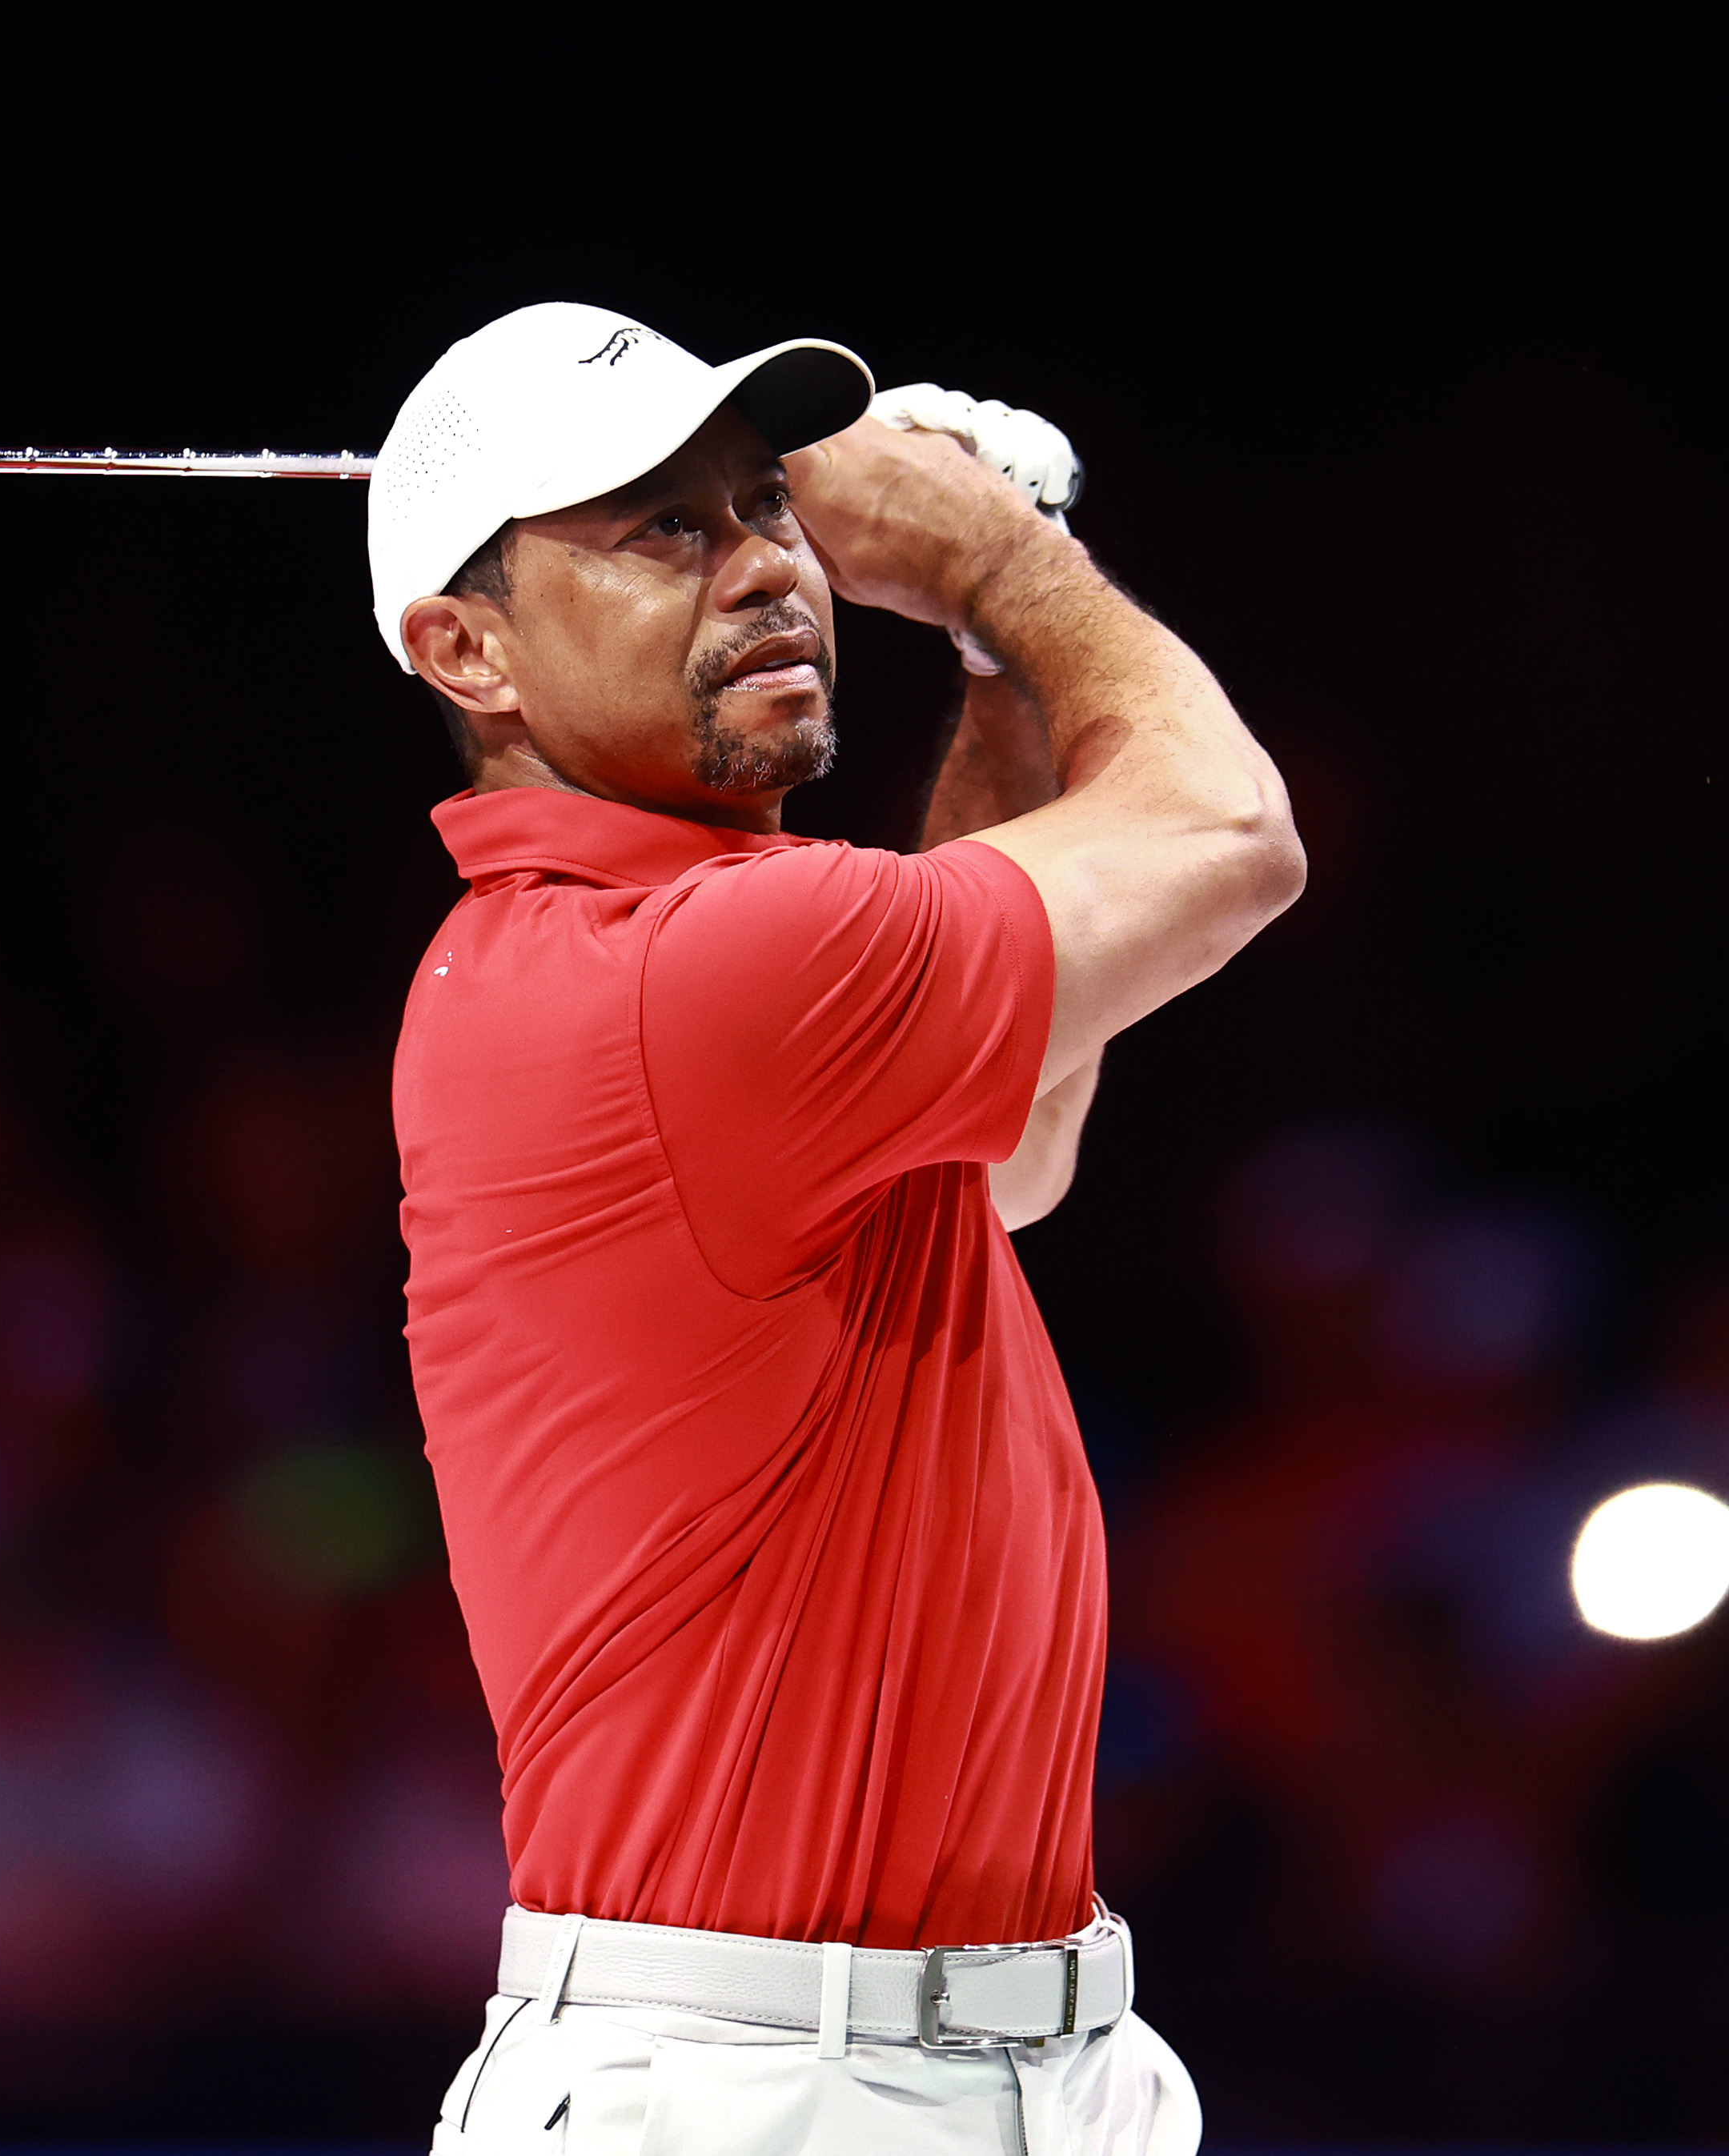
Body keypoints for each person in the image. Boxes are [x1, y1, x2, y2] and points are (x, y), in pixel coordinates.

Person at [376, 302, 1302, 2154]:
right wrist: (994, 552)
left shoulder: (724, 946)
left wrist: (990, 655)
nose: (768, 570)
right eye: (663, 532)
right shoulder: (687, 974)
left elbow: (1013, 1145)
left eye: (762, 508)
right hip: (753, 2089)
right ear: (466, 647)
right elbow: (1226, 836)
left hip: (1013, 2059)